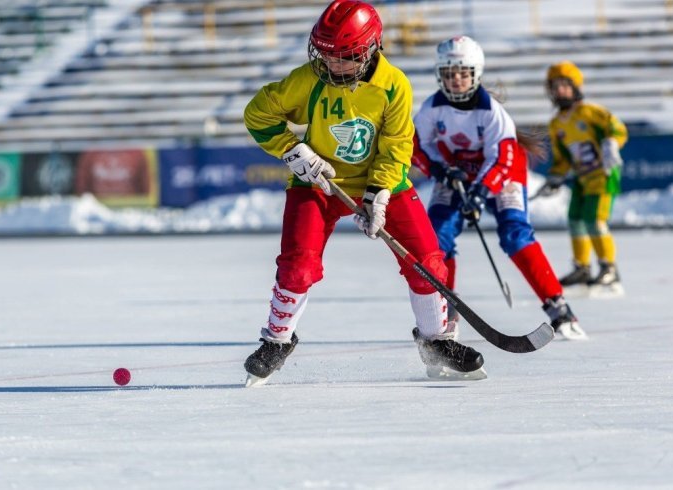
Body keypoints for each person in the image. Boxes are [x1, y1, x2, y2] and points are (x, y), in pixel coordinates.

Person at [242, 0, 485, 386]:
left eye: (345, 57)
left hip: (381, 182)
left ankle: (436, 340)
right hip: (318, 183)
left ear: (371, 49)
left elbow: (397, 145)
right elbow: (258, 113)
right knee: (298, 265)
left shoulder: (394, 85)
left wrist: (378, 195)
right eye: (325, 55)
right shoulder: (309, 79)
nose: (332, 65)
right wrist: (292, 150)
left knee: (427, 261)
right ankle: (276, 341)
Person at [411, 36, 586, 340]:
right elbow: (416, 146)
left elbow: (503, 158)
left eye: (462, 73)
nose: (455, 80)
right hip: (456, 175)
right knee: (435, 238)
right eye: (449, 73)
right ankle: (445, 309)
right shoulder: (431, 109)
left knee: (515, 235)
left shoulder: (491, 111)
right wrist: (439, 169)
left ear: (475, 74)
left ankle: (559, 308)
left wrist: (480, 193)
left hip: (502, 175)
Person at [539, 61, 628, 295]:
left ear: (576, 86)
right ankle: (582, 267)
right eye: (555, 87)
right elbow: (562, 159)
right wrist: (555, 178)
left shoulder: (590, 112)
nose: (560, 91)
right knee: (575, 220)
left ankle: (609, 268)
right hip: (581, 178)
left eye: (564, 86)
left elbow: (617, 128)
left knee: (594, 220)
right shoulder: (556, 123)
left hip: (603, 174)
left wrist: (611, 143)